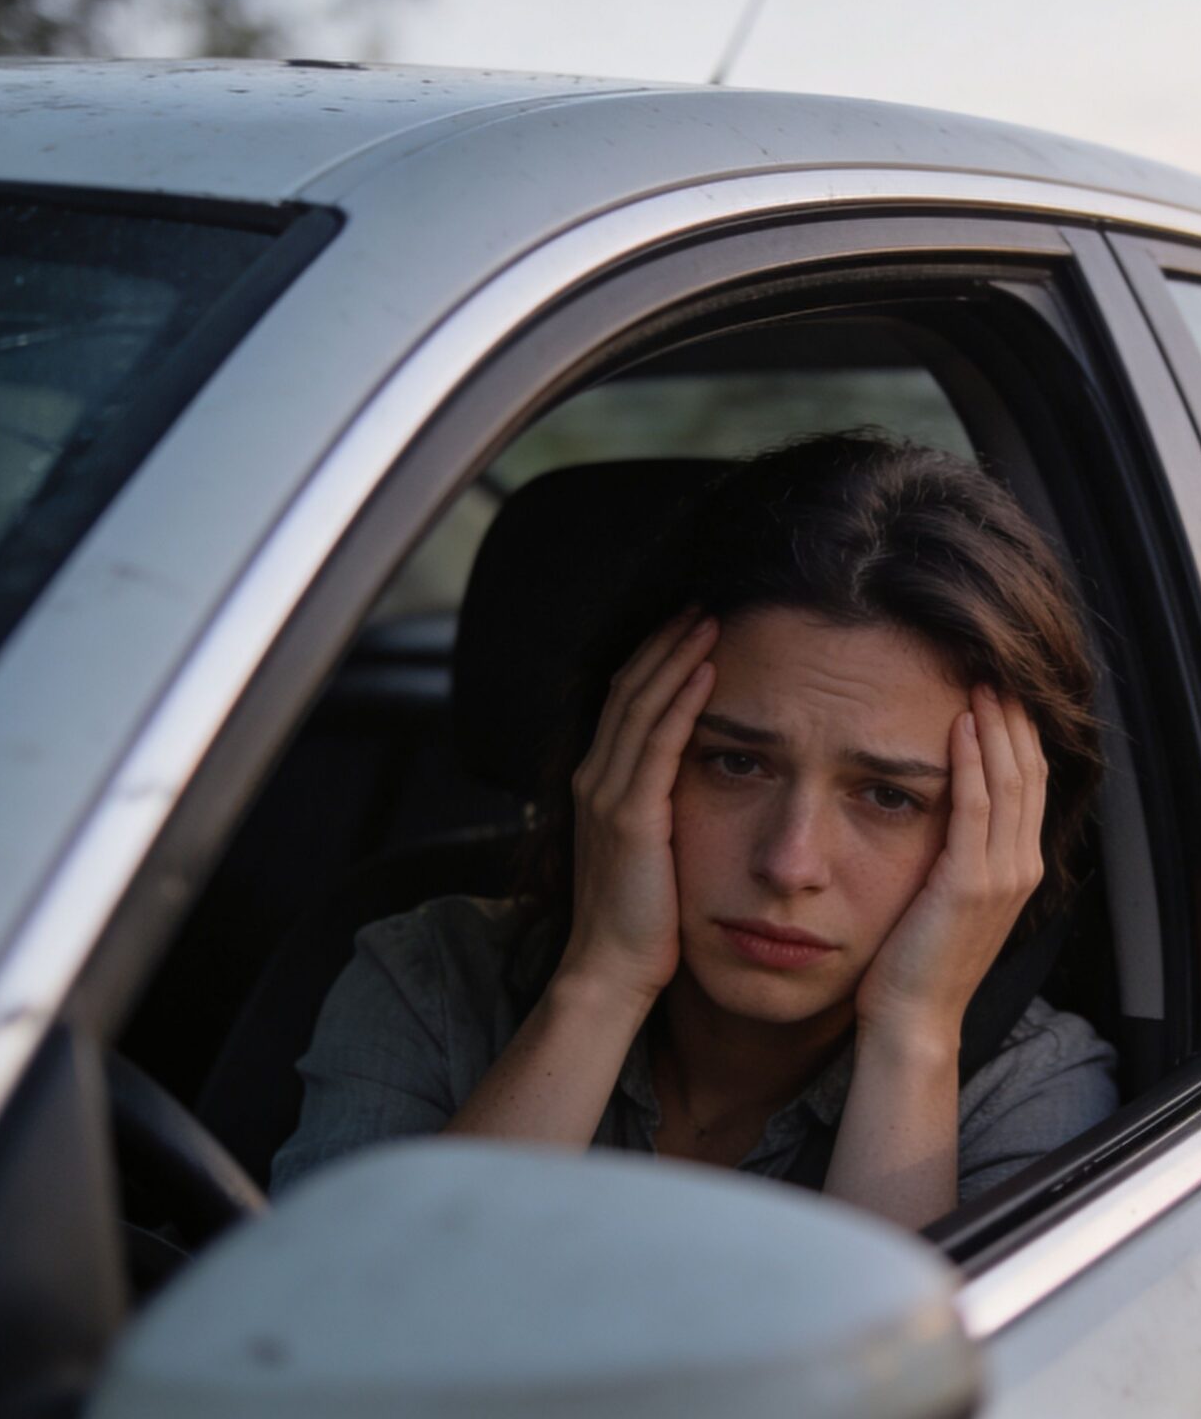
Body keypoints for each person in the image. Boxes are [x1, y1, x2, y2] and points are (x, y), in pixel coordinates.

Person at [271, 432, 1117, 1228]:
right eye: (736, 764)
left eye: (890, 797)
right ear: (625, 752)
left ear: (1001, 833)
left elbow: (888, 1385)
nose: (790, 863)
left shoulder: (1027, 1092)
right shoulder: (434, 986)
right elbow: (339, 1363)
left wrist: (914, 1038)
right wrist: (603, 979)